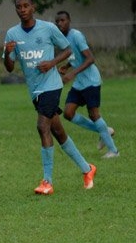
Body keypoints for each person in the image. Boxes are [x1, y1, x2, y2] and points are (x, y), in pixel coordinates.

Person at [3, 0, 96, 195]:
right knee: (58, 132)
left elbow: (68, 50)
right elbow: (10, 68)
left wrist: (52, 63)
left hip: (52, 86)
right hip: (35, 91)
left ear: (33, 7)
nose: (22, 10)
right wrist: (7, 54)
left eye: (26, 6)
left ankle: (47, 182)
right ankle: (87, 169)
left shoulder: (48, 28)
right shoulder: (12, 34)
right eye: (18, 7)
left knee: (42, 126)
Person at [54, 10, 119, 159]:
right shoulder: (62, 39)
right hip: (80, 83)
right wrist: (67, 66)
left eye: (63, 20)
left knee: (94, 114)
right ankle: (104, 131)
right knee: (68, 113)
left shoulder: (76, 35)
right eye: (57, 21)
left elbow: (90, 59)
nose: (60, 23)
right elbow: (76, 56)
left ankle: (114, 151)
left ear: (69, 21)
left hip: (91, 81)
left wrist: (72, 74)